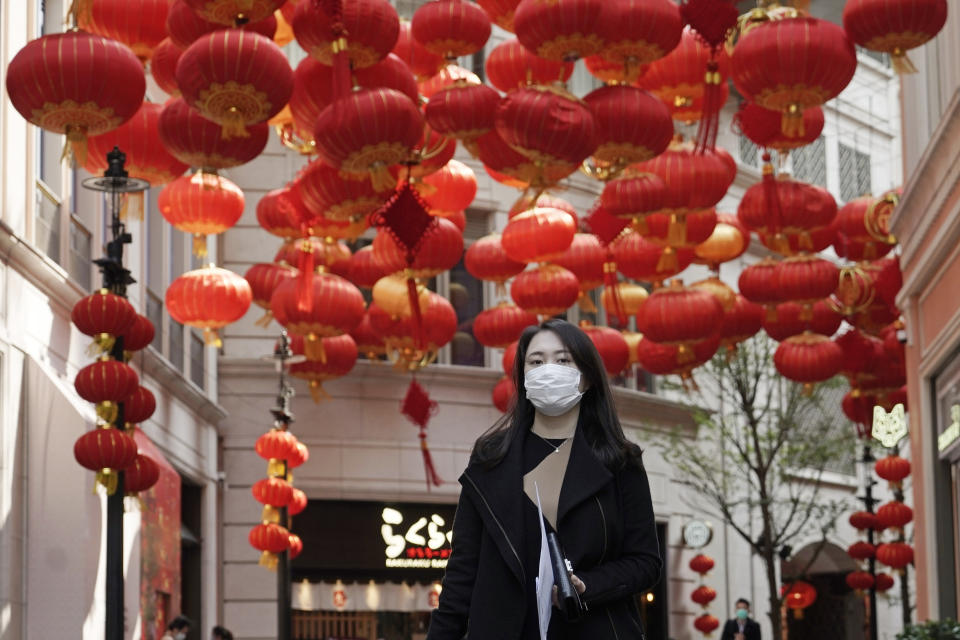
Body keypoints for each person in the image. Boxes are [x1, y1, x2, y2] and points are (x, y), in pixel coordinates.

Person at [427, 319, 662, 639]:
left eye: (563, 360)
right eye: (536, 361)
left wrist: (587, 585)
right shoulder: (491, 459)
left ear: (588, 377)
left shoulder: (620, 461)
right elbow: (462, 571)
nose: (548, 370)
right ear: (523, 377)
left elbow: (645, 562)